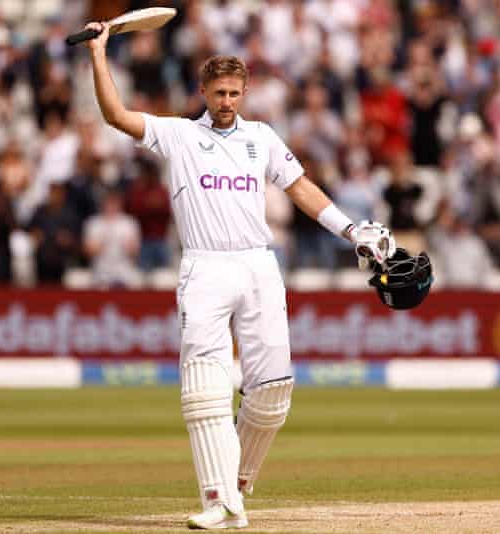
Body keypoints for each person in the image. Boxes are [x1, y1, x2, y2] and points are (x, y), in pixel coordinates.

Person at [83, 24, 395, 530]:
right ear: (202, 92)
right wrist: (99, 54)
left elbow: (300, 188)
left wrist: (351, 229)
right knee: (205, 390)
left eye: (234, 93)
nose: (226, 100)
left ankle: (238, 483)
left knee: (273, 391)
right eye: (218, 92)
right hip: (205, 266)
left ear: (244, 92)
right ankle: (219, 501)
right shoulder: (181, 134)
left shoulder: (261, 138)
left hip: (258, 264)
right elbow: (116, 115)